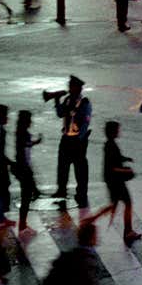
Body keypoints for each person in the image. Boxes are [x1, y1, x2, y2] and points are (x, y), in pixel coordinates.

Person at [96, 120, 141, 246]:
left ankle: (93, 222)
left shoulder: (109, 144)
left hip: (112, 180)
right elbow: (112, 166)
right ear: (113, 132)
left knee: (114, 205)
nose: (119, 132)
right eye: (117, 130)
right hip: (116, 180)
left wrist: (125, 159)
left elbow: (115, 159)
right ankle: (128, 231)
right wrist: (127, 170)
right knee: (127, 203)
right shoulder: (111, 146)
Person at [52, 74, 92, 208]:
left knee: (80, 169)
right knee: (62, 166)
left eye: (72, 87)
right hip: (66, 139)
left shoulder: (84, 103)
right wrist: (57, 100)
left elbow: (86, 123)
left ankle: (81, 194)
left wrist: (80, 139)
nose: (69, 89)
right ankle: (61, 190)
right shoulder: (68, 100)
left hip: (77, 140)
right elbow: (60, 114)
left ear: (78, 89)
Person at [15, 110, 41, 234]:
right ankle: (22, 225)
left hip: (23, 168)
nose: (31, 121)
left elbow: (25, 145)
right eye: (30, 119)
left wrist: (35, 142)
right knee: (26, 198)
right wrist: (28, 171)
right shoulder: (24, 134)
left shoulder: (20, 133)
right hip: (24, 169)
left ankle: (23, 224)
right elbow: (24, 153)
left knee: (27, 196)